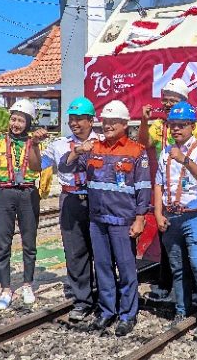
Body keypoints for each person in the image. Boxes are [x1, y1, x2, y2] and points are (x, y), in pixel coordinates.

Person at [69, 100, 151, 336]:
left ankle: (127, 314)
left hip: (123, 220)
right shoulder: (93, 148)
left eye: (113, 122)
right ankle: (107, 311)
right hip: (98, 220)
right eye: (105, 121)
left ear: (125, 124)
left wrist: (140, 218)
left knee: (126, 270)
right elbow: (68, 166)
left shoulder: (137, 151)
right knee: (103, 268)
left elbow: (143, 188)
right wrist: (77, 150)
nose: (108, 126)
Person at [138, 78, 197, 303]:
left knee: (194, 256)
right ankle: (167, 286)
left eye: (173, 100)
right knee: (168, 246)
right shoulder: (160, 125)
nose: (168, 104)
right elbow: (144, 142)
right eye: (165, 100)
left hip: (191, 196)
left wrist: (185, 160)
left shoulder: (196, 130)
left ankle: (195, 294)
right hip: (166, 192)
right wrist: (143, 121)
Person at [153, 102, 197, 342]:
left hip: (196, 217)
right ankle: (182, 310)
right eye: (173, 125)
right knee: (178, 268)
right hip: (172, 217)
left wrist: (184, 160)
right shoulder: (166, 151)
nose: (176, 129)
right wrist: (158, 214)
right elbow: (158, 184)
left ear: (192, 125)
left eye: (182, 125)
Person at [0, 99, 48, 310]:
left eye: (21, 120)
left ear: (28, 123)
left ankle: (27, 284)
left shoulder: (36, 143)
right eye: (13, 119)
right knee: (3, 243)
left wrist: (42, 190)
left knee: (29, 242)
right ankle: (6, 289)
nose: (15, 124)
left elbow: (40, 169)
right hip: (5, 194)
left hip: (28, 192)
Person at [41, 97, 101, 322]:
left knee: (101, 250)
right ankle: (82, 300)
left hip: (97, 199)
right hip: (71, 199)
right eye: (71, 119)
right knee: (75, 251)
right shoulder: (59, 144)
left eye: (79, 119)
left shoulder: (102, 141)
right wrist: (34, 145)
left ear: (91, 120)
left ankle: (103, 296)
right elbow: (38, 165)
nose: (74, 123)